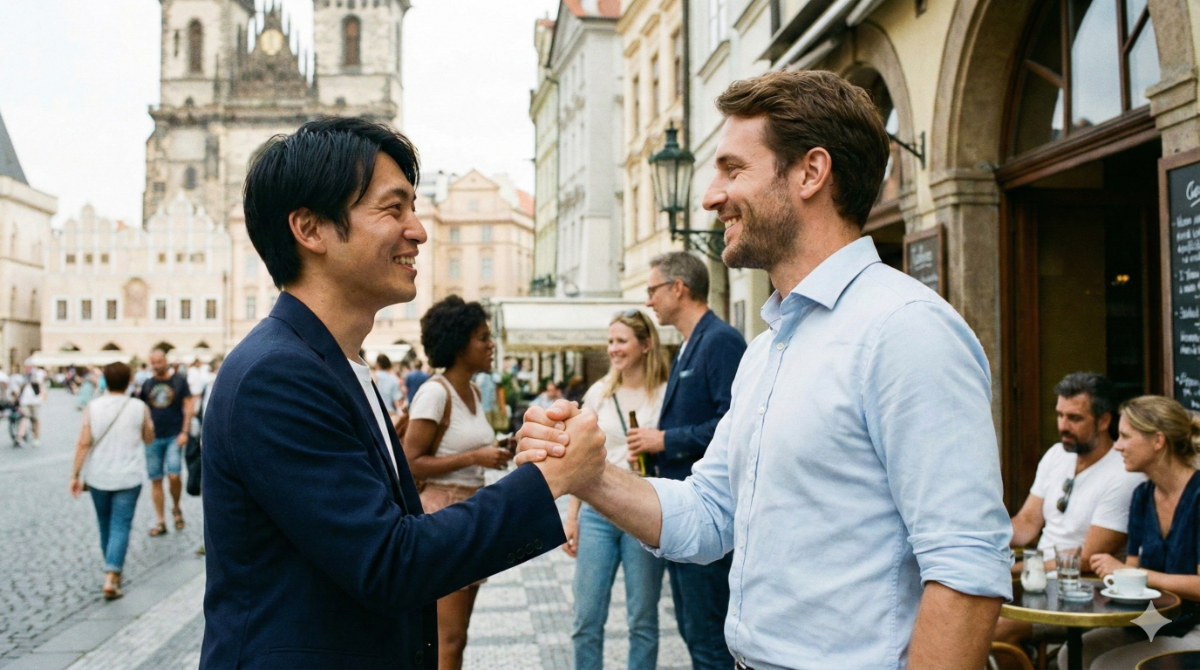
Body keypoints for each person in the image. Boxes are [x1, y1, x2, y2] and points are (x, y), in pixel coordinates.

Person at [516, 69, 1013, 669]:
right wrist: (591, 474)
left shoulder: (904, 328)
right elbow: (707, 514)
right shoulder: (770, 346)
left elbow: (966, 567)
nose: (710, 195)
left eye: (733, 169)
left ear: (810, 172)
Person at [200, 117, 605, 669]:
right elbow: (390, 562)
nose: (418, 230)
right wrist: (551, 478)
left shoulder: (330, 361)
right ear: (311, 229)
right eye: (393, 209)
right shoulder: (277, 375)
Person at [630, 251, 745, 670]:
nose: (649, 301)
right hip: (689, 511)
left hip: (711, 514)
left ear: (679, 288)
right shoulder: (690, 343)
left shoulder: (720, 340)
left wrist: (664, 440)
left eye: (652, 290)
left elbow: (735, 424)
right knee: (695, 632)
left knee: (709, 638)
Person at [995, 372, 1145, 650]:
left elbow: (1088, 559)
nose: (1064, 425)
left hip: (1084, 595)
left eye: (1075, 418)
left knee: (997, 630)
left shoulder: (1124, 473)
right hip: (1034, 584)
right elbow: (1027, 522)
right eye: (1060, 415)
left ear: (1103, 420)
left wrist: (1018, 569)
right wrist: (986, 540)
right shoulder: (1055, 455)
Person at [403, 296, 513, 669]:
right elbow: (409, 460)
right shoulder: (435, 392)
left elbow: (466, 446)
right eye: (482, 337)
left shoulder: (475, 391)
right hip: (442, 515)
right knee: (447, 639)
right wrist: (475, 457)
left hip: (470, 514)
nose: (490, 344)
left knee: (459, 635)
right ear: (459, 344)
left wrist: (498, 449)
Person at [565, 310, 669, 670]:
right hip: (597, 512)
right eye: (610, 341)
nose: (613, 349)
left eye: (621, 341)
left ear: (645, 345)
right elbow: (581, 459)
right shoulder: (600, 392)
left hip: (644, 511)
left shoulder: (666, 394)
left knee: (643, 620)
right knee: (586, 618)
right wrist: (572, 517)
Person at [1066, 395, 1200, 668]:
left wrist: (1131, 574)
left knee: (1107, 665)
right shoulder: (1142, 496)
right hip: (1156, 621)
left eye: (1125, 437)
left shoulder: (1198, 496)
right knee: (1073, 656)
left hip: (1196, 627)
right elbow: (1132, 576)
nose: (1117, 447)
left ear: (1158, 441)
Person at [69, 362, 154, 600]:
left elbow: (83, 442)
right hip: (128, 476)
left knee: (105, 523)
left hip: (98, 476)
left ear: (104, 380)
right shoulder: (138, 406)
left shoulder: (93, 406)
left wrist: (75, 475)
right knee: (121, 525)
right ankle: (112, 576)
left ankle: (111, 569)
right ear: (129, 381)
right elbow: (149, 438)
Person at [139, 349, 194, 536]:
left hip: (174, 435)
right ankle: (161, 521)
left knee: (174, 475)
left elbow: (188, 406)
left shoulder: (178, 381)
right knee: (155, 479)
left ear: (165, 362)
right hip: (153, 438)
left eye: (159, 362)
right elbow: (142, 410)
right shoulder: (147, 384)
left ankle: (176, 507)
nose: (156, 366)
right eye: (152, 363)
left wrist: (185, 431)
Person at [374, 353, 403, 418]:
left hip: (375, 414)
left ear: (377, 365)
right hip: (390, 414)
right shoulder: (393, 379)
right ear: (389, 365)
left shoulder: (372, 377)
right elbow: (396, 401)